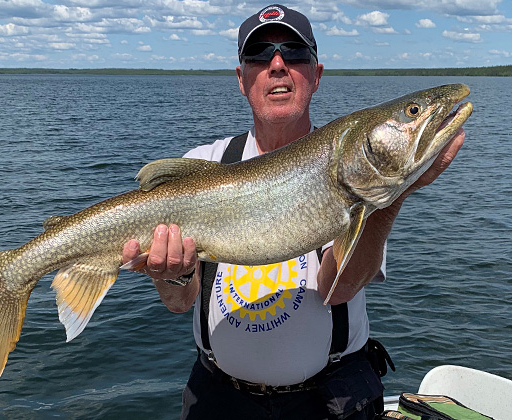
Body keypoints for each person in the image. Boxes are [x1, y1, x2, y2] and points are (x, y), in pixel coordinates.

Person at [122, 4, 465, 419]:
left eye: (295, 54)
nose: (278, 64)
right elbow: (180, 301)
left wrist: (392, 197)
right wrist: (172, 272)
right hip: (218, 400)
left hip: (329, 402)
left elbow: (338, 289)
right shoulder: (205, 163)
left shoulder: (351, 180)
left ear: (316, 75)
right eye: (260, 56)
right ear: (242, 78)